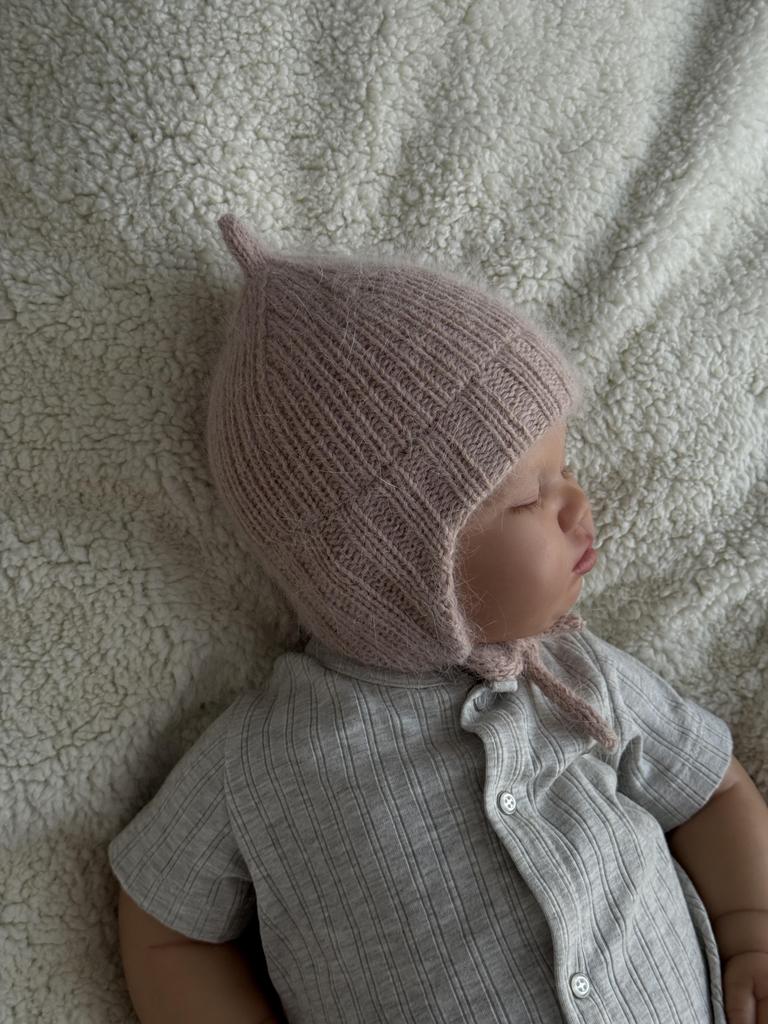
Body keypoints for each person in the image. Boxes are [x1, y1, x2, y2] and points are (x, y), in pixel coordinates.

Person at [108, 214, 767, 1023]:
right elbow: (166, 924)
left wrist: (751, 929)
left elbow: (710, 789)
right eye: (529, 497)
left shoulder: (576, 676)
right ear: (392, 563)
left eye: (565, 469)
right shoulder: (266, 756)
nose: (577, 504)